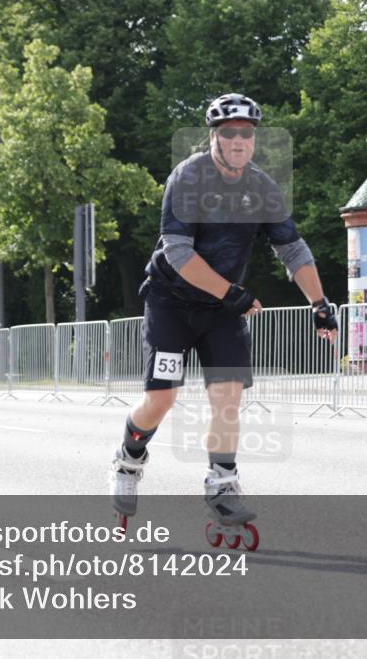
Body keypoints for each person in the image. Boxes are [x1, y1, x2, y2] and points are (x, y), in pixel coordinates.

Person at [109, 93, 338, 537]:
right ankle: (128, 459)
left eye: (246, 133)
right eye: (229, 132)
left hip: (221, 310)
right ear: (214, 136)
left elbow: (292, 249)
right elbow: (177, 252)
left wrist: (320, 304)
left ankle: (222, 482)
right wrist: (230, 292)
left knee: (228, 396)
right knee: (162, 400)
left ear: (254, 139)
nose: (238, 140)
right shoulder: (188, 178)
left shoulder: (262, 188)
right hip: (172, 302)